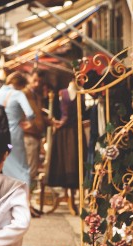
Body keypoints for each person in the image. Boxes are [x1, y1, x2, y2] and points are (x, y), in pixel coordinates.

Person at [0, 72, 35, 187]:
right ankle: (24, 196)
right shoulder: (18, 94)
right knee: (22, 166)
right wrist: (30, 123)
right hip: (14, 135)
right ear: (21, 85)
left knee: (2, 164)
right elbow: (30, 113)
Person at [46, 79, 81, 213]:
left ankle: (71, 196)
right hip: (64, 132)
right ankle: (66, 195)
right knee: (64, 160)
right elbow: (57, 112)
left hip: (75, 131)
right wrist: (58, 122)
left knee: (73, 160)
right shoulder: (62, 93)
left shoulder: (80, 93)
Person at [23, 70, 50, 188]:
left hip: (34, 134)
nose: (37, 83)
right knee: (29, 170)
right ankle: (24, 201)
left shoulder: (35, 95)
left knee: (31, 170)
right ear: (28, 78)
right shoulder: (24, 94)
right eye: (34, 80)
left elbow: (36, 114)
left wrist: (47, 121)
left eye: (39, 81)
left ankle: (25, 200)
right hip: (28, 135)